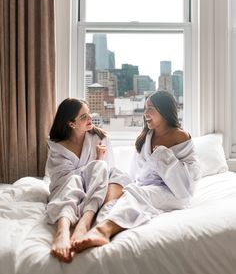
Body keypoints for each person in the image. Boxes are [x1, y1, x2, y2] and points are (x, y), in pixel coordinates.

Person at [70, 90, 201, 253]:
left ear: (164, 110)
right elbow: (137, 172)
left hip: (174, 191)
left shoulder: (180, 136)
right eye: (145, 109)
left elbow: (187, 184)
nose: (145, 113)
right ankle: (92, 223)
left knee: (137, 193)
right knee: (116, 187)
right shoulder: (147, 136)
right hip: (145, 187)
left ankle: (104, 230)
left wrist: (163, 156)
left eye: (150, 108)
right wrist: (125, 188)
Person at [46, 98, 131, 263]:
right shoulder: (58, 147)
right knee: (74, 180)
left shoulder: (100, 138)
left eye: (89, 113)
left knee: (107, 170)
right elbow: (61, 179)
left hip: (98, 185)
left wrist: (99, 161)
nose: (90, 118)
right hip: (68, 188)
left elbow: (108, 171)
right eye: (84, 116)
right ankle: (62, 230)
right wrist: (96, 162)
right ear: (71, 124)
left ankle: (84, 223)